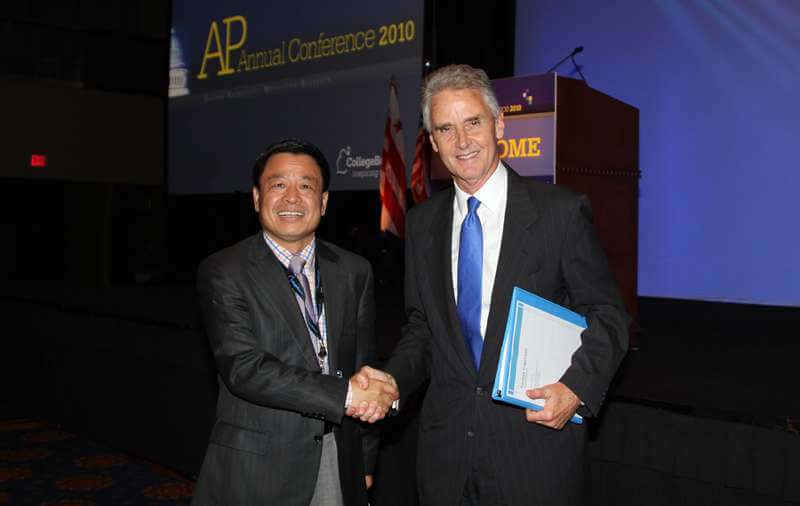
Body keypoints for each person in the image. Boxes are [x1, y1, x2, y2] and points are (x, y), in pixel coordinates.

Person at [354, 64, 629, 505]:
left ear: (499, 124)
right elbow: (423, 330)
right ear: (433, 142)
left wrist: (576, 388)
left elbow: (609, 316)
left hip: (533, 454)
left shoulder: (559, 212)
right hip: (447, 459)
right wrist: (391, 380)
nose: (462, 141)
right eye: (446, 129)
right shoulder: (422, 224)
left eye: (473, 123)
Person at [192, 138, 397, 506]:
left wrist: (365, 458)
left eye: (306, 186)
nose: (291, 197)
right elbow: (244, 368)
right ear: (257, 198)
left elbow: (363, 364)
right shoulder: (223, 270)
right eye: (278, 184)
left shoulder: (354, 270)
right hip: (257, 467)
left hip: (336, 456)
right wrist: (346, 394)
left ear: (324, 201)